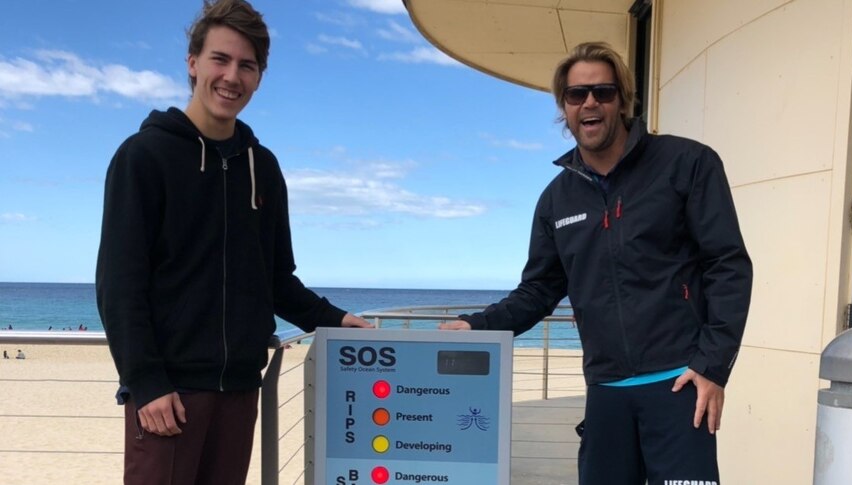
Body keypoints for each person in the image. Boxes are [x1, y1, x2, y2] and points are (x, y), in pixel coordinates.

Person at [440, 41, 752, 484]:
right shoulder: (556, 199)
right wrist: (479, 325)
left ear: (622, 100)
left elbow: (728, 265)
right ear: (563, 110)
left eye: (603, 92)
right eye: (576, 95)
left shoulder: (687, 163)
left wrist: (712, 365)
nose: (589, 102)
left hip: (680, 383)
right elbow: (540, 289)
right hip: (605, 391)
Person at [95, 1, 372, 484]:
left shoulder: (262, 166)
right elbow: (119, 284)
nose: (231, 76)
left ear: (260, 77)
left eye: (247, 65)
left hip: (240, 391)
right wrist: (146, 382)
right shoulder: (143, 157)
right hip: (168, 396)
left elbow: (275, 278)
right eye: (220, 59)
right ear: (193, 63)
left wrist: (333, 319)